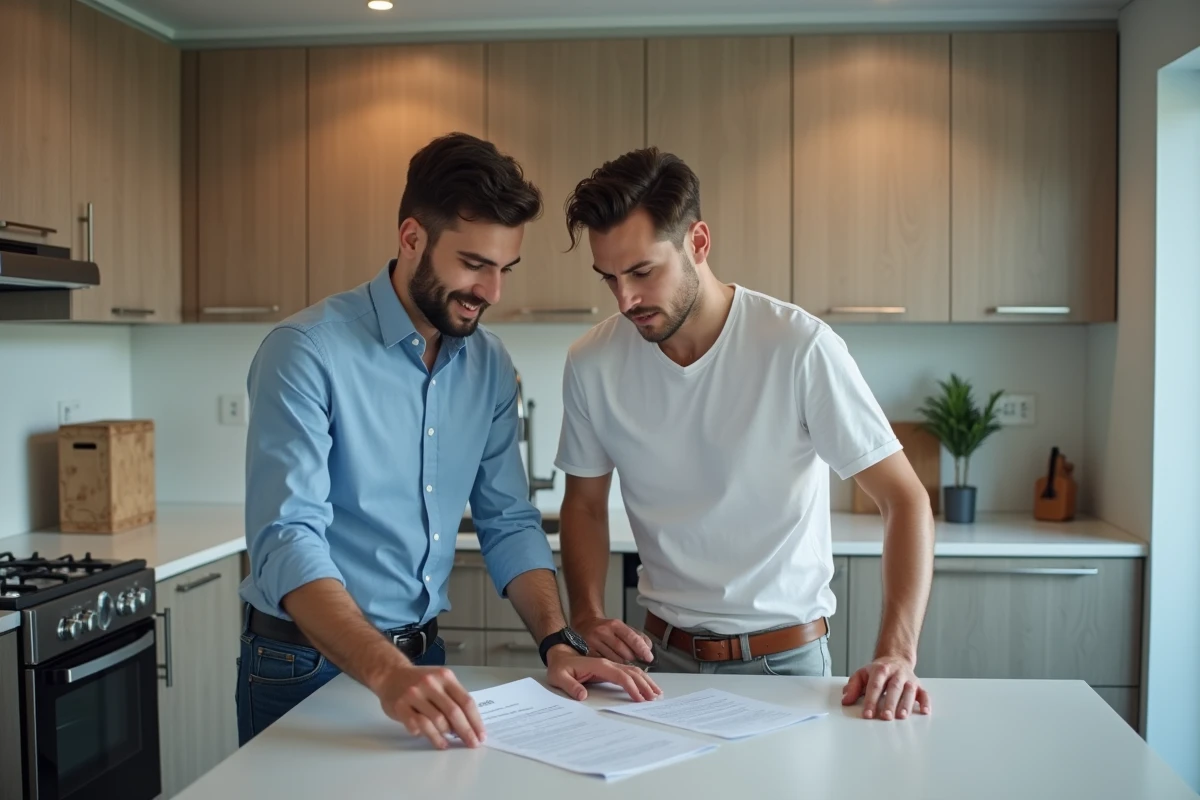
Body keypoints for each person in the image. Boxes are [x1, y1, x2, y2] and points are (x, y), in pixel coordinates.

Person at [236, 132, 660, 750]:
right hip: (303, 666)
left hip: (422, 659)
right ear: (412, 239)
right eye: (473, 264)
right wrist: (387, 672)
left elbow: (510, 520)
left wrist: (557, 642)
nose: (491, 292)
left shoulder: (488, 365)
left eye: (504, 269)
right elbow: (285, 541)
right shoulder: (305, 353)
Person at [554, 147, 935, 722]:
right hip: (657, 664)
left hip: (786, 663)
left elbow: (904, 499)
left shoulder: (798, 347)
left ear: (698, 243)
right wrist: (585, 616)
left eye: (642, 271)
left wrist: (897, 655)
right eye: (609, 277)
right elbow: (583, 505)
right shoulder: (592, 362)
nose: (624, 299)